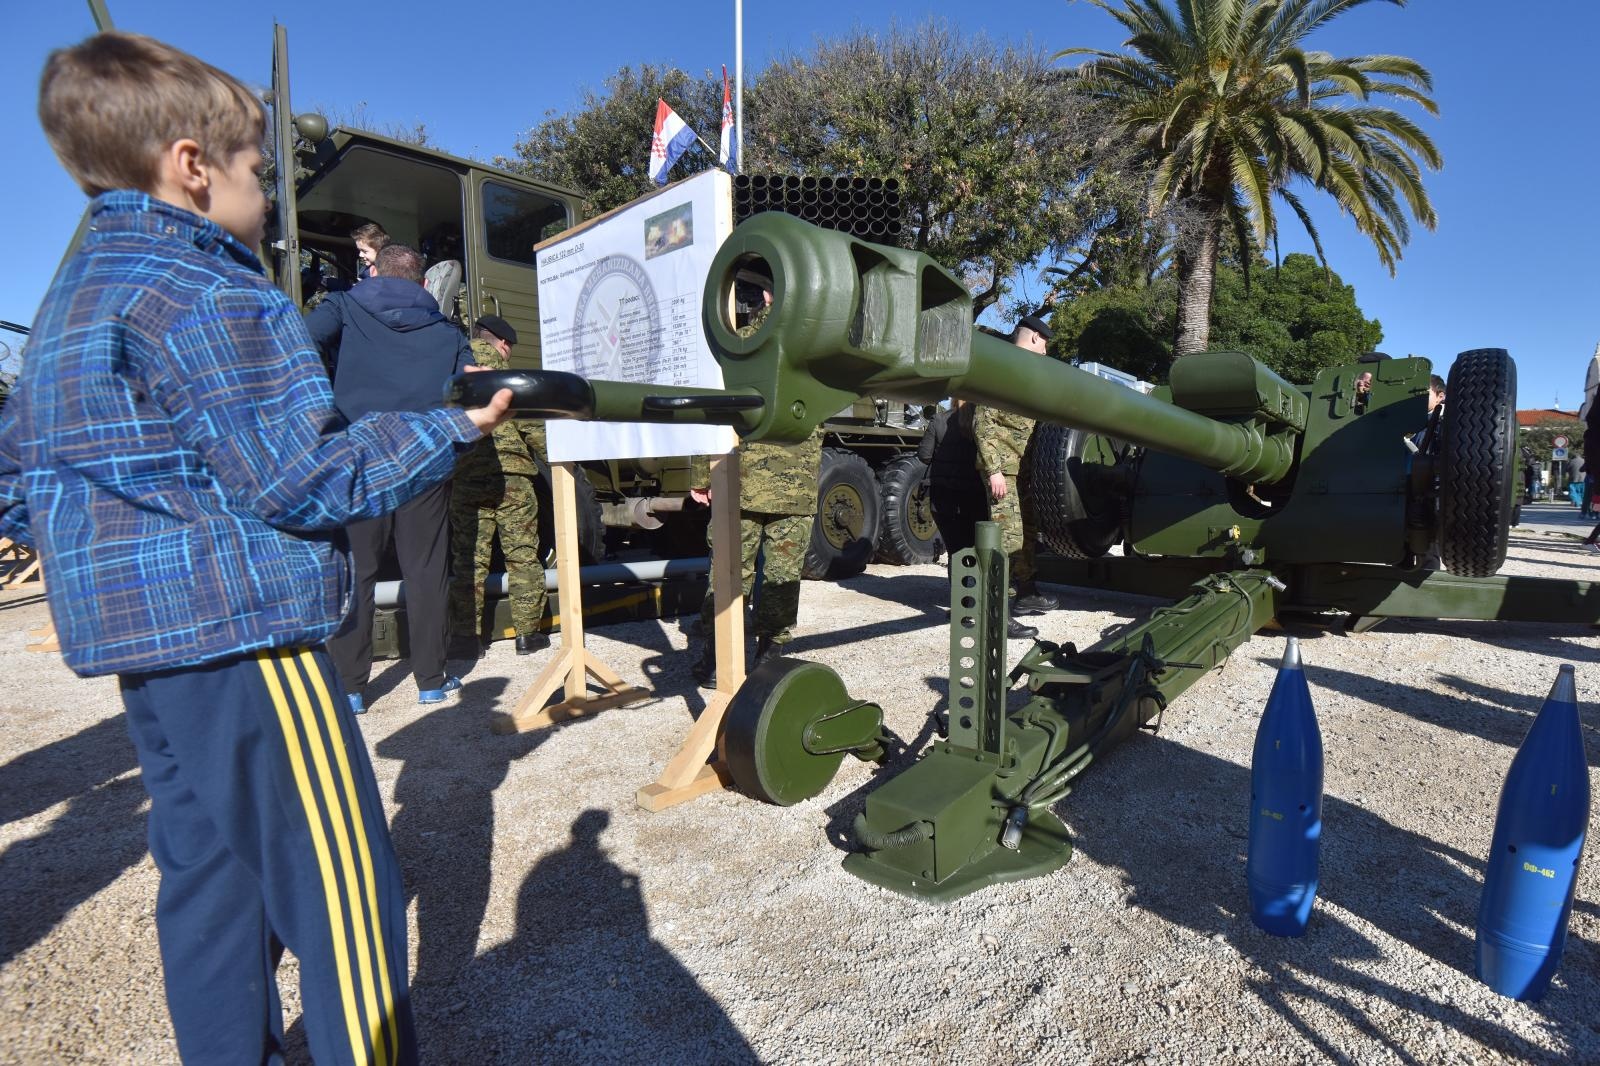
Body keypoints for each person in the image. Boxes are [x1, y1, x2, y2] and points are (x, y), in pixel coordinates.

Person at [1, 31, 512, 1065]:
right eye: (256, 170)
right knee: (341, 886)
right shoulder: (209, 288)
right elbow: (300, 475)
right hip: (247, 636)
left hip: (152, 654)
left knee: (212, 882)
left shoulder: (72, 296)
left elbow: (20, 482)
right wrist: (450, 428)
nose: (269, 197)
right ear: (191, 166)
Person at [307, 242, 474, 710]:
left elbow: (298, 346)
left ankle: (351, 688)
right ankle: (431, 681)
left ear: (374, 272)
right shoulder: (448, 332)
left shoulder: (342, 306)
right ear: (422, 283)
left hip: (360, 454)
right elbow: (471, 390)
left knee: (356, 571)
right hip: (424, 456)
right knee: (426, 570)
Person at [690, 276, 823, 684]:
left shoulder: (740, 344)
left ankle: (717, 659)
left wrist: (701, 474)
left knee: (729, 571)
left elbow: (711, 408)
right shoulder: (817, 350)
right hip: (797, 485)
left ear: (766, 296)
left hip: (741, 480)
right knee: (783, 575)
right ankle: (769, 660)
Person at [448, 314, 550, 656]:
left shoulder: (454, 368)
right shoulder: (507, 377)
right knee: (521, 555)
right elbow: (532, 427)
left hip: (466, 476)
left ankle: (466, 639)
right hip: (511, 478)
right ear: (503, 344)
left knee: (468, 558)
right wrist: (562, 458)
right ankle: (527, 635)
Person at [971, 313, 1060, 639]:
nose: (1046, 351)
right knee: (1007, 539)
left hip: (1022, 472)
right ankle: (999, 613)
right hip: (1003, 472)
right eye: (1045, 343)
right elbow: (983, 422)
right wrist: (993, 469)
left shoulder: (1027, 371)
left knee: (1027, 534)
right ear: (1034, 337)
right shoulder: (1002, 368)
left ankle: (1026, 593)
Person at [918, 401, 986, 556]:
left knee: (954, 550)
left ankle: (956, 572)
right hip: (975, 493)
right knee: (976, 548)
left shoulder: (938, 419)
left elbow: (924, 455)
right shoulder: (982, 420)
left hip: (942, 494)